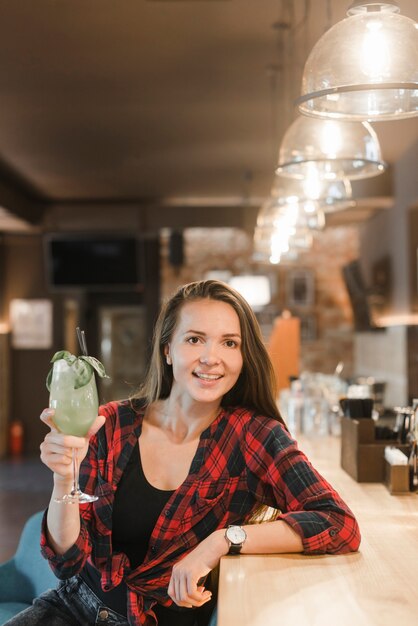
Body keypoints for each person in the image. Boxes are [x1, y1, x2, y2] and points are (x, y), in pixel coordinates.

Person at [5, 279, 361, 626]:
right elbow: (67, 560)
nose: (211, 358)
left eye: (229, 343)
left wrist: (222, 541)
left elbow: (338, 524)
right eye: (194, 339)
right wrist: (62, 478)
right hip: (75, 607)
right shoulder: (110, 423)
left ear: (243, 355)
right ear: (167, 349)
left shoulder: (256, 437)